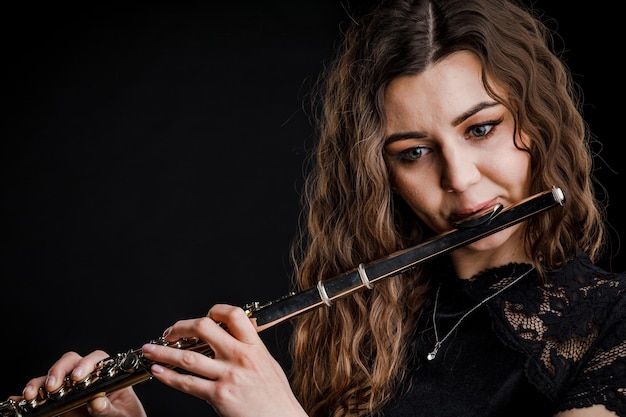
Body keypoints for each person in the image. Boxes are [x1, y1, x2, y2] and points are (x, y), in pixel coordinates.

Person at [6, 0, 625, 416]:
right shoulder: (364, 322)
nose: (460, 182)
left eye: (482, 129)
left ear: (537, 123)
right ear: (379, 172)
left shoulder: (611, 323)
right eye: (413, 152)